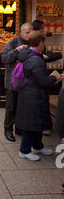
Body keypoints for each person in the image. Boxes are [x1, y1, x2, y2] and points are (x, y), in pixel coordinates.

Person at [15, 31, 64, 161]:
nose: (45, 44)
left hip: (31, 94)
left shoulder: (30, 54)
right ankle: (24, 150)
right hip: (33, 96)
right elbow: (43, 81)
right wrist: (55, 77)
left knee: (37, 122)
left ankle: (38, 146)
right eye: (44, 42)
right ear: (40, 43)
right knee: (30, 124)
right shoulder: (35, 60)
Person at [1, 23, 33, 142]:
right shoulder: (13, 43)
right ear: (21, 32)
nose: (29, 34)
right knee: (11, 107)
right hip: (13, 81)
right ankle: (8, 129)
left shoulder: (33, 43)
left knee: (23, 107)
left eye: (31, 32)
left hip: (27, 82)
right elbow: (4, 58)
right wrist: (16, 50)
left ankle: (19, 128)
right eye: (27, 32)